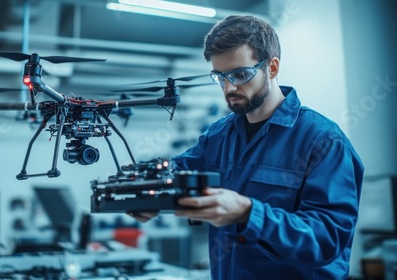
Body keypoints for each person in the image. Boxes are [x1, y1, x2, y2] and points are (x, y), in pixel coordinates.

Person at [128, 15, 364, 279]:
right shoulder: (218, 135)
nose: (229, 87)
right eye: (220, 77)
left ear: (272, 68)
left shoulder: (323, 141)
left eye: (240, 74)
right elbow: (179, 171)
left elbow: (328, 238)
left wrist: (248, 213)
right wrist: (146, 191)